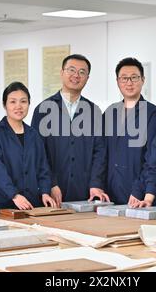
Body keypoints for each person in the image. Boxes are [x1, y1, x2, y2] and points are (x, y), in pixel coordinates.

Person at [31, 54, 108, 206]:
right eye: (71, 70)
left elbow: (100, 152)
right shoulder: (43, 110)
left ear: (87, 78)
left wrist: (95, 184)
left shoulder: (94, 112)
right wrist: (50, 184)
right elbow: (38, 153)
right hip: (52, 194)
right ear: (61, 73)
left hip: (85, 193)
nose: (76, 75)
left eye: (82, 72)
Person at [0, 82, 56, 213]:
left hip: (31, 204)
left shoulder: (33, 135)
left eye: (23, 101)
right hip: (2, 205)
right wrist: (14, 195)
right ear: (4, 104)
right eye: (12, 102)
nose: (18, 106)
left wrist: (45, 192)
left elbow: (43, 168)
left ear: (29, 104)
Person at [103, 57, 156, 205]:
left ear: (143, 80)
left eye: (134, 78)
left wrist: (139, 190)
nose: (129, 83)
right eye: (124, 78)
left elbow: (154, 158)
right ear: (117, 81)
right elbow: (101, 153)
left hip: (138, 196)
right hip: (109, 194)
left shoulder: (153, 114)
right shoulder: (110, 113)